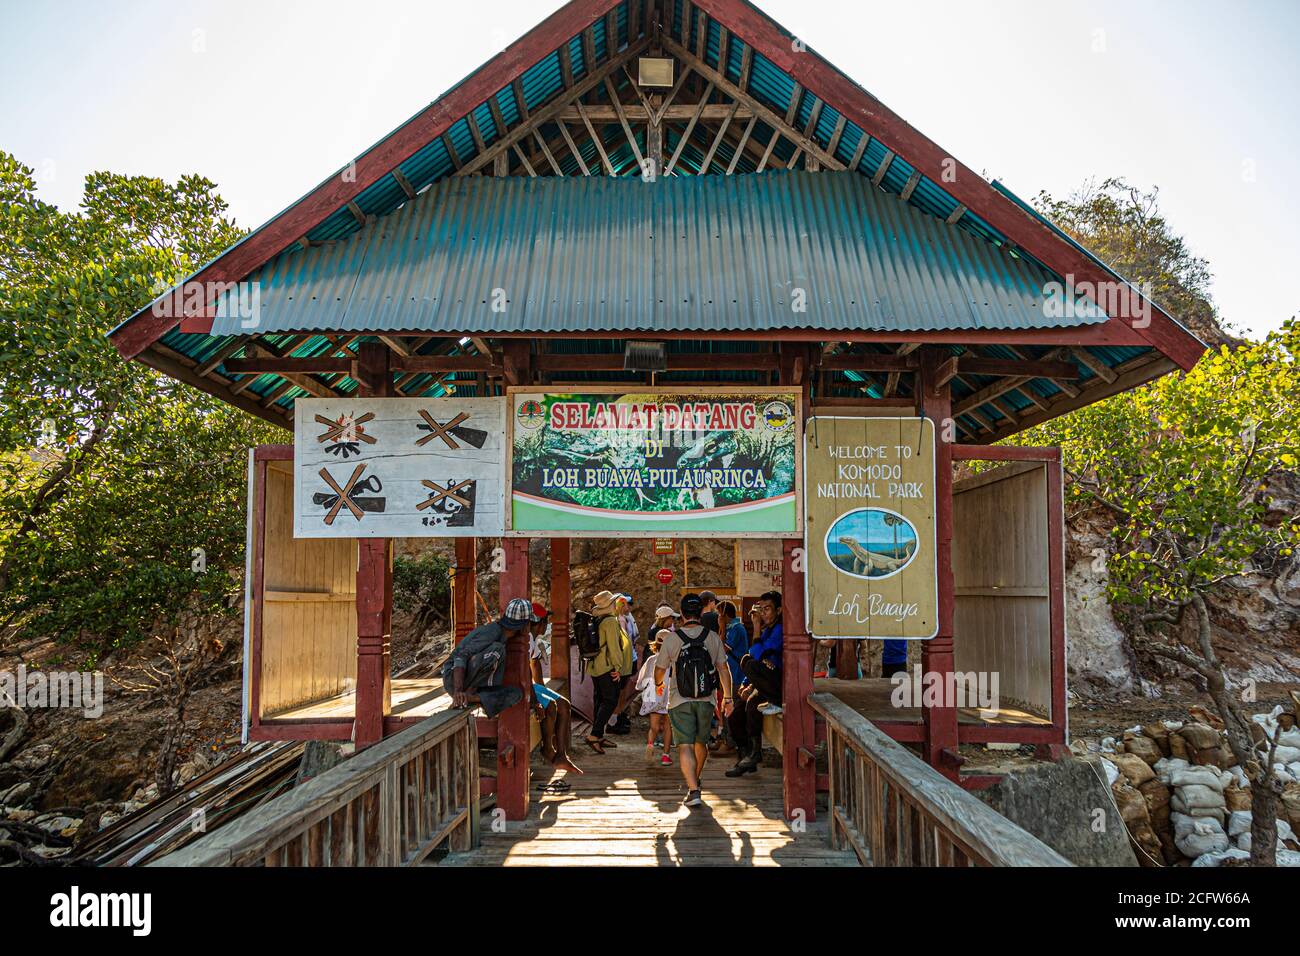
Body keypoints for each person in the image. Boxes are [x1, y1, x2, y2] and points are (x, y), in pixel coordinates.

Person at [654, 593, 733, 808]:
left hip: (680, 700)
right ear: (700, 612)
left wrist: (659, 684)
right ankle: (695, 780)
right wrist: (728, 697)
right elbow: (723, 669)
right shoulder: (712, 637)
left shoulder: (672, 638)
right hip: (707, 699)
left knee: (685, 746)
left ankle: (693, 789)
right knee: (702, 742)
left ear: (681, 614)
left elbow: (659, 671)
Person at [725, 591, 783, 777]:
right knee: (740, 712)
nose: (764, 613)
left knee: (747, 661)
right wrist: (746, 684)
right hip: (764, 684)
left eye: (768, 609)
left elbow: (758, 657)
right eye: (761, 609)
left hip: (778, 685)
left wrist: (756, 626)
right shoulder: (768, 631)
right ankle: (749, 756)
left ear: (779, 610)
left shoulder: (780, 630)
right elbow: (755, 654)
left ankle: (775, 700)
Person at [442, 597, 530, 718]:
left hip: (472, 685)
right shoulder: (492, 632)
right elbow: (460, 656)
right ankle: (467, 695)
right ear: (523, 626)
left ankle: (472, 698)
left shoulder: (504, 637)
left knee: (516, 694)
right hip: (453, 679)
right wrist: (458, 691)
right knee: (497, 650)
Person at [527, 603, 581, 775]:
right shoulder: (526, 639)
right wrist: (536, 700)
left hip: (532, 685)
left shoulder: (533, 639)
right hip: (522, 685)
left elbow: (535, 664)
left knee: (564, 705)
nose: (547, 624)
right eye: (545, 621)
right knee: (550, 706)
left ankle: (562, 754)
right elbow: (525, 670)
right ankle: (548, 749)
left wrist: (541, 688)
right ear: (539, 623)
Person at [584, 590, 632, 755]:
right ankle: (594, 735)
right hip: (607, 666)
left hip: (595, 666)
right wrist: (618, 668)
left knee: (600, 699)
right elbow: (614, 647)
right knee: (611, 700)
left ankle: (598, 735)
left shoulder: (598, 618)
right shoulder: (610, 621)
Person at [635, 632, 673, 766]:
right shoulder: (673, 661)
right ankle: (665, 755)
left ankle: (650, 745)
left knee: (654, 726)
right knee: (668, 726)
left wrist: (642, 688)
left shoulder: (651, 660)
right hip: (668, 694)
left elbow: (642, 679)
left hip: (654, 694)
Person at [610, 593, 640, 735]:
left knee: (622, 690)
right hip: (625, 660)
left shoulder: (627, 618)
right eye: (626, 604)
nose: (629, 606)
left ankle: (618, 716)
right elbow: (625, 642)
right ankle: (615, 719)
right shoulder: (621, 619)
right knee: (620, 692)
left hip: (628, 659)